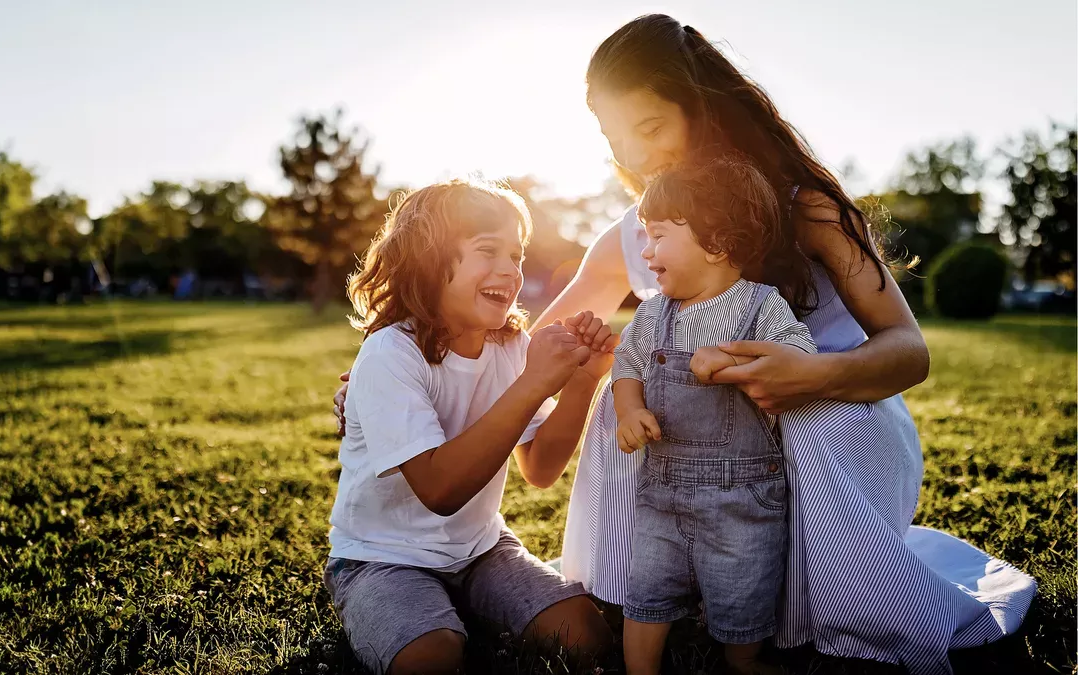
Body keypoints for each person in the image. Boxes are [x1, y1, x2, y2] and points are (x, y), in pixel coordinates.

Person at [334, 15, 1035, 674]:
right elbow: (536, 336)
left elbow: (908, 352)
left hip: (833, 416)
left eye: (650, 125)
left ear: (703, 107)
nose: (635, 156)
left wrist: (812, 374)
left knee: (807, 419)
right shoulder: (634, 235)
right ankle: (664, 582)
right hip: (707, 443)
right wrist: (379, 375)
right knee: (624, 395)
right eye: (617, 139)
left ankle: (814, 601)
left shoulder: (807, 207)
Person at [325, 179, 613, 675]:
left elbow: (541, 468)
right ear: (429, 260)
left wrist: (583, 381)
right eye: (488, 251)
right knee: (430, 658)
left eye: (517, 256)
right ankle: (401, 607)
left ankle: (463, 600)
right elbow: (439, 490)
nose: (510, 269)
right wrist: (533, 385)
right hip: (382, 556)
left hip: (481, 548)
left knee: (587, 638)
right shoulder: (390, 354)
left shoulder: (509, 348)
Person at [613, 157, 815, 675]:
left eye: (657, 235)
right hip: (661, 493)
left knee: (742, 589)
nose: (646, 251)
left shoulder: (760, 307)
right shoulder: (651, 313)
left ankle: (742, 659)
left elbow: (800, 361)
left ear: (717, 243)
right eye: (644, 235)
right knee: (648, 589)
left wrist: (731, 358)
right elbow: (628, 365)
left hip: (742, 498)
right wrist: (630, 408)